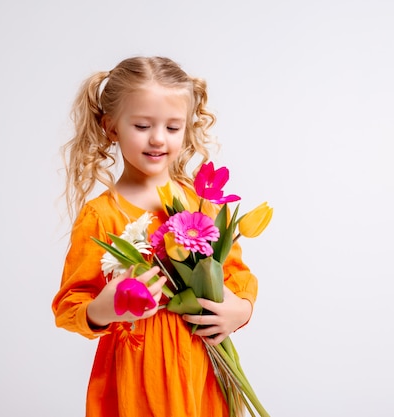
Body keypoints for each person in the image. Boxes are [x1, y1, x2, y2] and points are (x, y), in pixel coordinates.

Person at [52, 56, 258, 417]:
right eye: (143, 125)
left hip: (199, 368)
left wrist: (239, 310)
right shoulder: (102, 215)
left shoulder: (200, 204)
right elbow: (69, 305)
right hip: (135, 372)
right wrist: (105, 307)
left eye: (173, 128)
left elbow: (238, 276)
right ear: (111, 127)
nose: (158, 138)